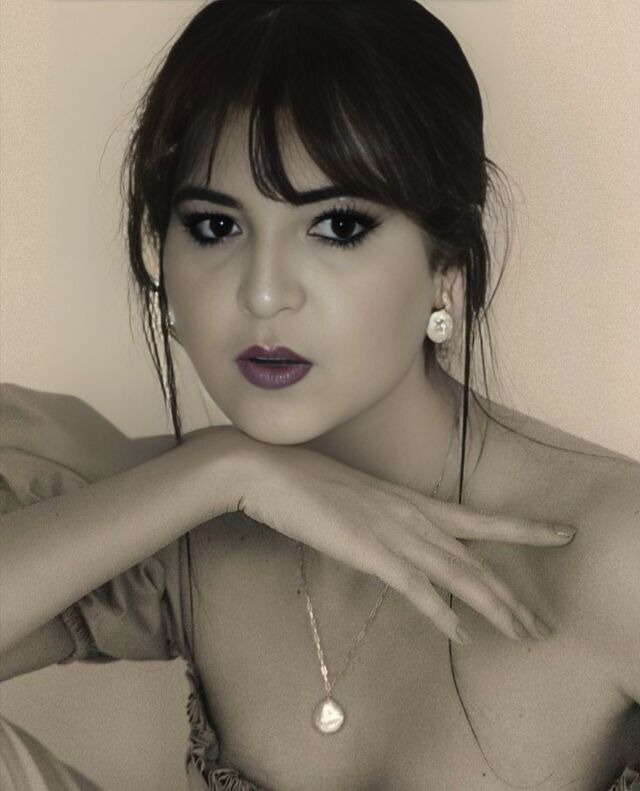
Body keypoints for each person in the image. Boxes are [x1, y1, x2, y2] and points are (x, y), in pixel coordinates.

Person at [1, 1, 638, 789]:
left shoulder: (613, 552)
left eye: (336, 227)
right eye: (215, 227)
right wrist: (221, 470)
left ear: (446, 265)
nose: (264, 294)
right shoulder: (194, 531)